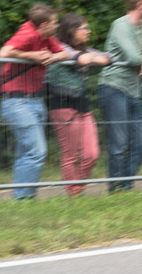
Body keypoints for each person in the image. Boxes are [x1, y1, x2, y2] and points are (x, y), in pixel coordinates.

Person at [0, 4, 67, 200]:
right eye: (55, 22)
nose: (57, 24)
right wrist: (31, 55)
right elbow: (3, 53)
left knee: (25, 153)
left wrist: (51, 57)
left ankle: (22, 199)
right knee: (37, 151)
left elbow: (64, 53)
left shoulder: (47, 37)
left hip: (35, 101)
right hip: (16, 102)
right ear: (44, 24)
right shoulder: (28, 33)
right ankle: (24, 197)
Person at [97, 0, 142, 193]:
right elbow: (132, 57)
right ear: (140, 4)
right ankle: (115, 188)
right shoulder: (121, 25)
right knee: (119, 143)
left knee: (140, 143)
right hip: (114, 88)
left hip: (133, 90)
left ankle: (127, 184)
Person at [46, 14, 111, 196]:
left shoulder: (84, 49)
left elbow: (108, 57)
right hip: (63, 106)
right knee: (71, 155)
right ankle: (74, 194)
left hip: (83, 106)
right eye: (84, 28)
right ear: (72, 31)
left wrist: (91, 57)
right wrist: (89, 57)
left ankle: (76, 189)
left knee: (92, 154)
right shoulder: (60, 48)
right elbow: (80, 59)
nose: (88, 31)